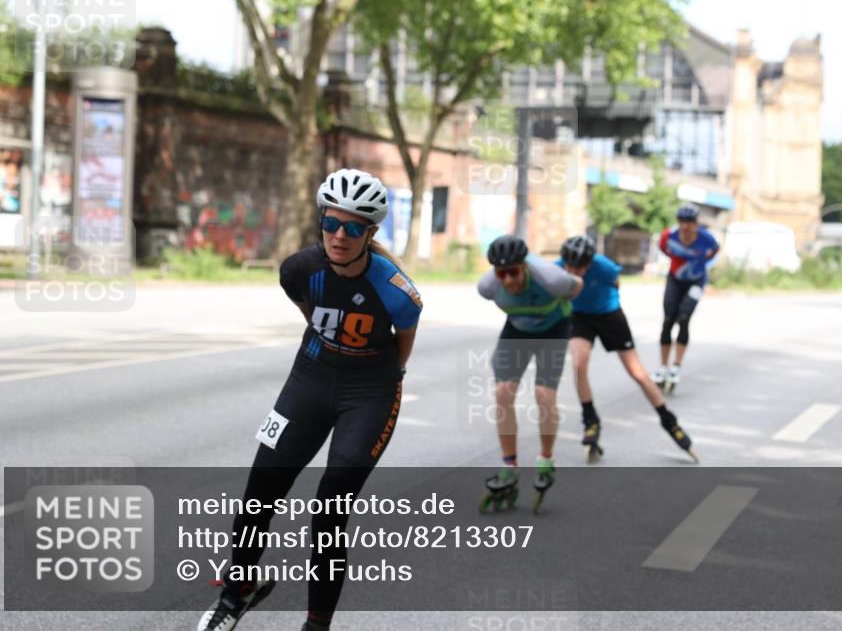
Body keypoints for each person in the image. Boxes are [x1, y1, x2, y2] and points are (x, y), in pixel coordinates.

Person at [198, 169, 422, 631]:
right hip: (312, 378)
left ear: (371, 232)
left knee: (330, 508)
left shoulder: (397, 290)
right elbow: (310, 314)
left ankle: (316, 626)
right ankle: (236, 594)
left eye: (354, 227)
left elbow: (403, 339)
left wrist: (384, 377)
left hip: (370, 392)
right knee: (260, 492)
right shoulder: (299, 269)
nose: (340, 235)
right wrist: (334, 345)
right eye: (331, 223)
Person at [557, 235, 697, 463]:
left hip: (609, 314)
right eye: (569, 266)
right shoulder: (557, 269)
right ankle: (590, 421)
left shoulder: (605, 268)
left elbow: (617, 284)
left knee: (637, 372)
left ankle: (669, 420)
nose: (573, 271)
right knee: (579, 364)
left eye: (579, 267)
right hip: (580, 317)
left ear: (590, 263)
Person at [476, 235, 583, 513]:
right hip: (518, 330)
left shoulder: (552, 280)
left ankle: (546, 459)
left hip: (555, 328)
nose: (508, 280)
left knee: (544, 396)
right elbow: (495, 285)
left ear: (524, 267)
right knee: (502, 393)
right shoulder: (488, 287)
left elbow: (577, 286)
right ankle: (509, 466)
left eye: (513, 272)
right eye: (502, 273)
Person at [655, 203, 719, 391]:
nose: (685, 226)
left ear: (696, 223)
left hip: (695, 281)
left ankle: (676, 365)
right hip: (675, 279)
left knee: (684, 318)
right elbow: (663, 248)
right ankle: (662, 366)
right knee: (668, 320)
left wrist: (702, 262)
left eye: (689, 222)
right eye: (682, 221)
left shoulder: (706, 238)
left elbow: (715, 250)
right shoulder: (669, 235)